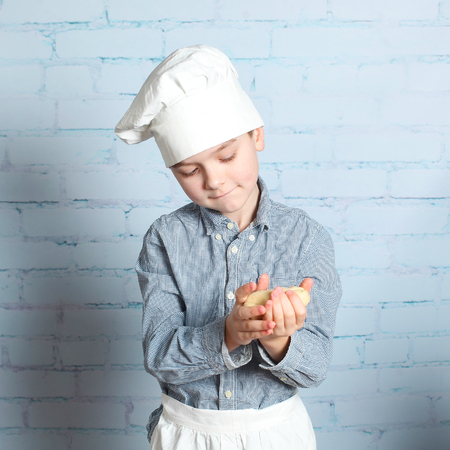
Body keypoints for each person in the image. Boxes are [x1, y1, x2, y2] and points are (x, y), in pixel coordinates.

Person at [115, 44, 342, 450]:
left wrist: (276, 338)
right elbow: (159, 354)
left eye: (226, 155)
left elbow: (315, 366)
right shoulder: (165, 239)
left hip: (275, 434)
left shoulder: (306, 238)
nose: (214, 180)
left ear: (256, 134)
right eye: (190, 170)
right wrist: (229, 334)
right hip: (186, 432)